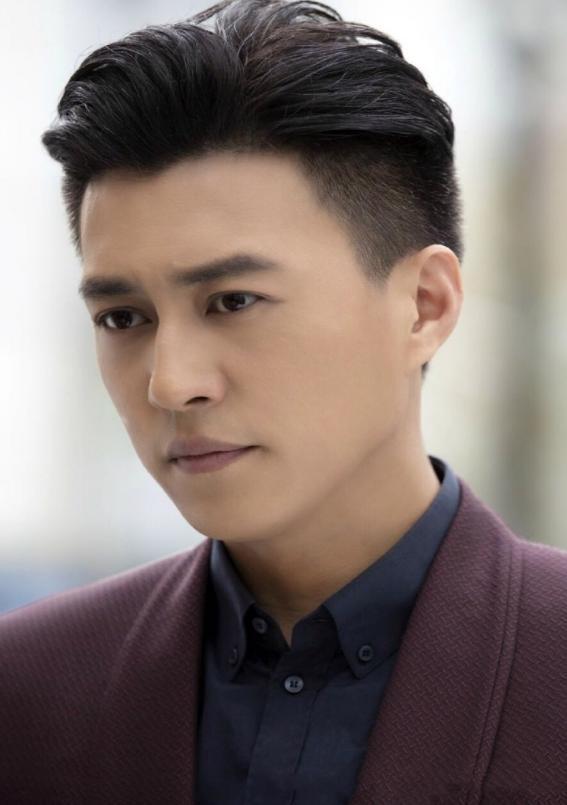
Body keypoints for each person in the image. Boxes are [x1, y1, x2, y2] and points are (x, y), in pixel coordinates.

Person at [1, 1, 566, 802]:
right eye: (123, 317)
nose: (170, 382)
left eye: (233, 301)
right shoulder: (27, 693)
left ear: (423, 305)